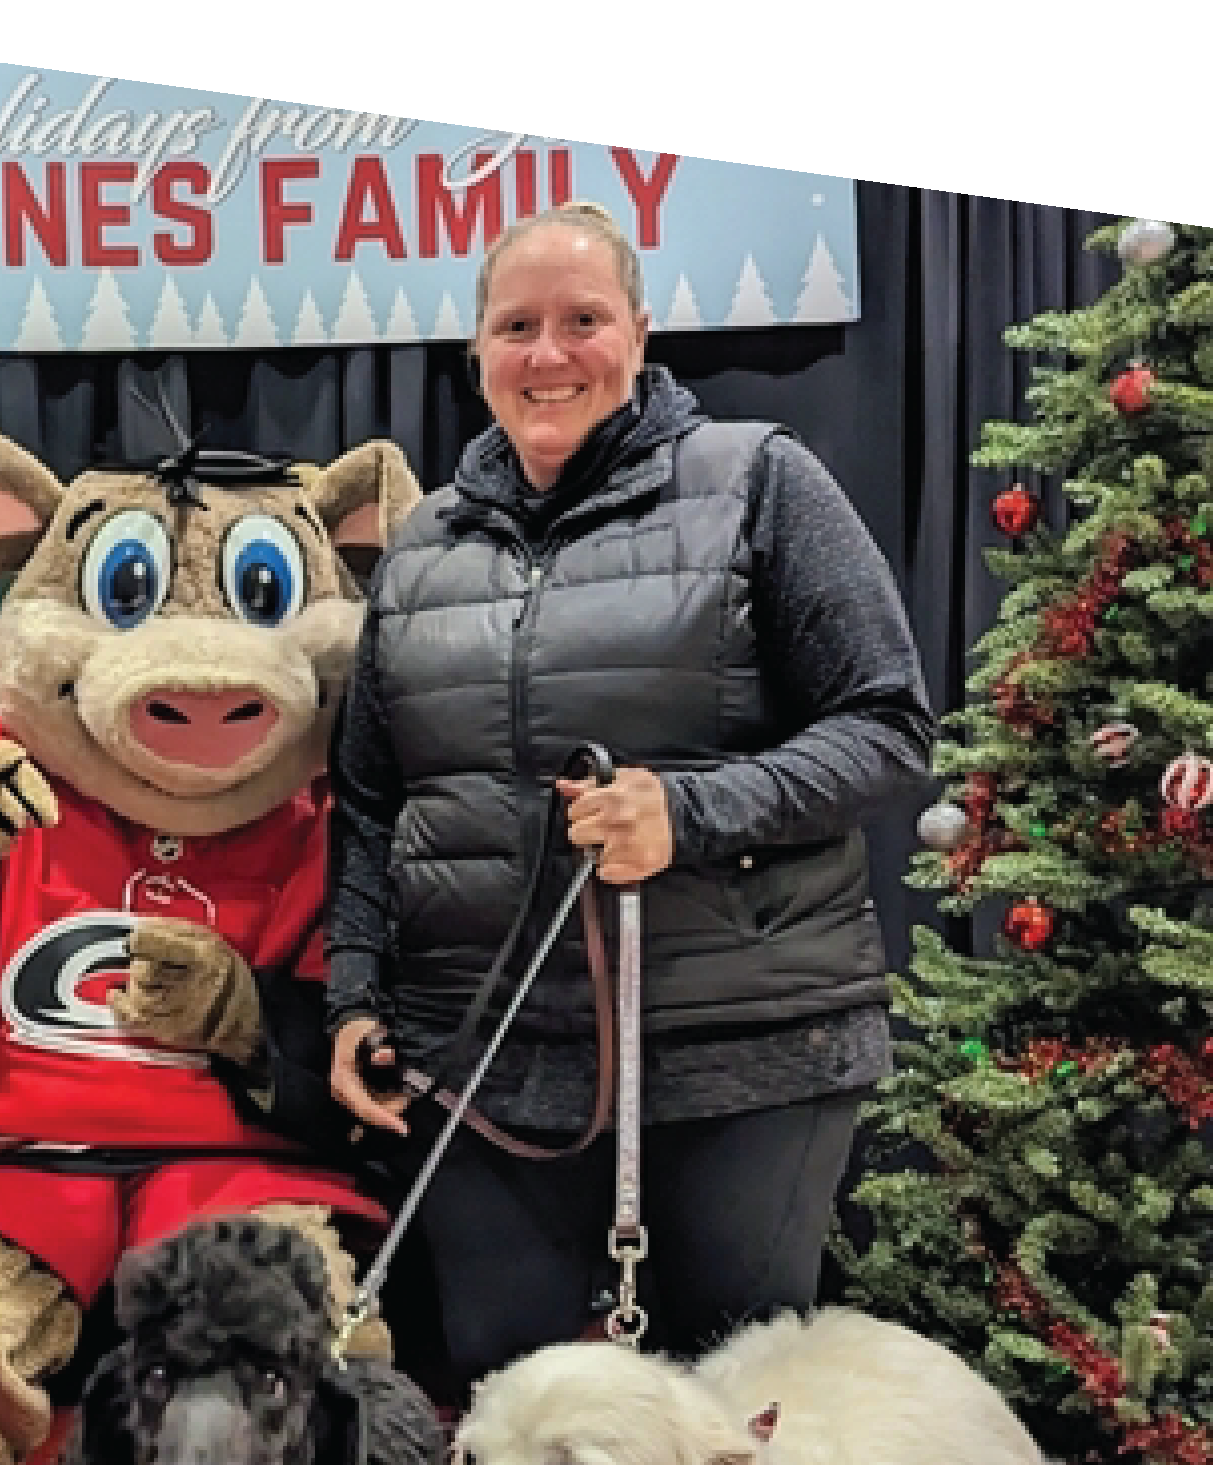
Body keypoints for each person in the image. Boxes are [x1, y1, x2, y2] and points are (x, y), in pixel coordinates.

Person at [325, 202, 935, 1388]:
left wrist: (691, 814)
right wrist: (355, 994)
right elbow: (370, 802)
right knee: (516, 1438)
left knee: (722, 1439)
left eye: (581, 320)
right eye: (517, 326)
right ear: (477, 353)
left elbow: (888, 729)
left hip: (740, 1058)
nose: (548, 355)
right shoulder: (419, 547)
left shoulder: (760, 482)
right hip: (484, 1068)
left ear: (640, 334)